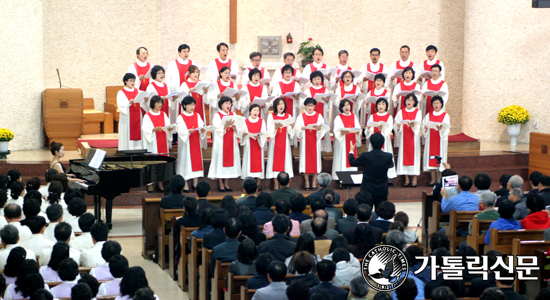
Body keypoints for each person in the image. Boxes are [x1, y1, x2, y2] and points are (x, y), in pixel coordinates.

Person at [349, 132, 394, 208]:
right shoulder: (388, 156)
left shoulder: (366, 156)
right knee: (380, 213)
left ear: (371, 144)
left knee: (365, 213)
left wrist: (351, 151)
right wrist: (382, 153)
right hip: (381, 190)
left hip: (367, 191)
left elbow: (352, 162)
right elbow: (391, 165)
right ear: (383, 143)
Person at [208, 96, 242, 192]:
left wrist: (236, 128)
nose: (228, 105)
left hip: (231, 141)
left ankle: (226, 182)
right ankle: (220, 182)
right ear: (221, 105)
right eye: (226, 103)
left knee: (230, 160)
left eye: (230, 103)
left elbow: (239, 127)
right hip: (221, 142)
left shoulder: (233, 114)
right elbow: (216, 129)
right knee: (220, 160)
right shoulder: (217, 115)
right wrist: (224, 126)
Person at [295, 98, 329, 190]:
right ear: (305, 106)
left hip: (315, 141)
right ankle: (306, 181)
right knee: (305, 161)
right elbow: (296, 128)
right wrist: (301, 128)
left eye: (312, 105)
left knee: (315, 161)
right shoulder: (301, 116)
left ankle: (314, 181)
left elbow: (323, 128)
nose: (310, 107)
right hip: (305, 141)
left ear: (314, 106)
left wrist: (319, 129)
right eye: (308, 105)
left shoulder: (319, 116)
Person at [142, 96, 173, 193]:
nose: (160, 105)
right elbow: (144, 129)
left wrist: (169, 129)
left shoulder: (163, 114)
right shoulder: (148, 115)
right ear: (153, 104)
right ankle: (150, 184)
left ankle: (160, 182)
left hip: (162, 140)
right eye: (158, 102)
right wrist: (152, 130)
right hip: (153, 142)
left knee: (162, 163)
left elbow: (167, 125)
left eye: (161, 103)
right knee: (153, 163)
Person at [176, 97, 206, 191]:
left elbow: (201, 126)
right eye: (190, 105)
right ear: (184, 105)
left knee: (196, 161)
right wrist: (187, 131)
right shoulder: (181, 117)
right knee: (185, 161)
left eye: (193, 104)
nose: (192, 106)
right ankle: (185, 184)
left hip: (195, 141)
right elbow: (180, 130)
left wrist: (202, 130)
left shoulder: (197, 115)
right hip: (186, 143)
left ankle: (195, 183)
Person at [394, 92, 422, 187]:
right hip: (404, 137)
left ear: (414, 102)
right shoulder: (400, 112)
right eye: (407, 100)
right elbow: (396, 124)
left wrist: (413, 125)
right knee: (403, 155)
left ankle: (414, 178)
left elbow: (418, 125)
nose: (409, 101)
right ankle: (406, 178)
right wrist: (398, 126)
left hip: (414, 138)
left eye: (411, 100)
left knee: (414, 156)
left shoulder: (418, 112)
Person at [265, 99, 295, 187]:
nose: (281, 106)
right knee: (274, 161)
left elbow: (290, 132)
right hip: (275, 143)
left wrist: (292, 127)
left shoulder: (288, 116)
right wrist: (275, 127)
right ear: (275, 106)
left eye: (282, 104)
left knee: (286, 162)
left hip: (285, 142)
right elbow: (270, 131)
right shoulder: (271, 116)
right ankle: (276, 184)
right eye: (279, 104)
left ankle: (285, 185)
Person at [422, 96, 451, 184]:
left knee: (441, 159)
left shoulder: (445, 115)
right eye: (434, 103)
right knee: (431, 159)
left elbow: (447, 128)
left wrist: (441, 128)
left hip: (440, 140)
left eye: (438, 103)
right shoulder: (428, 115)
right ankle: (433, 180)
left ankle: (439, 180)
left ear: (441, 104)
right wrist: (426, 128)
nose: (436, 105)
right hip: (431, 140)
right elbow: (423, 126)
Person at [332, 99, 361, 181]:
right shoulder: (338, 117)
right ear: (341, 107)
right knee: (342, 159)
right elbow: (337, 131)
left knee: (351, 158)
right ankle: (341, 179)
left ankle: (351, 179)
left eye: (348, 105)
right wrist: (342, 132)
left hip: (352, 140)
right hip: (342, 142)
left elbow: (357, 128)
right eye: (344, 105)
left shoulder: (354, 116)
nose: (346, 107)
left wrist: (358, 132)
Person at [117, 73, 147, 151]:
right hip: (127, 117)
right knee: (127, 133)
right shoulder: (121, 92)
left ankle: (138, 149)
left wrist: (145, 100)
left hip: (137, 116)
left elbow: (142, 104)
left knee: (138, 131)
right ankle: (126, 149)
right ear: (125, 81)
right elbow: (121, 105)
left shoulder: (138, 91)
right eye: (130, 81)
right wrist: (129, 103)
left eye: (134, 80)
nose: (133, 82)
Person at [303, 71, 332, 152]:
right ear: (311, 80)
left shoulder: (325, 89)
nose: (317, 81)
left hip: (322, 113)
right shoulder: (308, 90)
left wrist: (327, 101)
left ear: (321, 80)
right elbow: (304, 103)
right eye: (315, 79)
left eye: (318, 79)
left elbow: (328, 104)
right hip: (312, 115)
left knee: (322, 129)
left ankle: (322, 150)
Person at [241, 104, 267, 184]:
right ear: (250, 112)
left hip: (258, 144)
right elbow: (241, 132)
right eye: (254, 110)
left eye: (257, 110)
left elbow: (264, 133)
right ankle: (248, 182)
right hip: (249, 145)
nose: (256, 112)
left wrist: (260, 136)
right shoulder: (245, 121)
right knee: (248, 163)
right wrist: (243, 134)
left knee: (259, 164)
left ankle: (258, 184)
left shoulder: (261, 121)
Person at [179, 65, 210, 133]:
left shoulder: (201, 83)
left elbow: (206, 100)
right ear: (189, 73)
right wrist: (189, 92)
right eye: (193, 72)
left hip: (200, 108)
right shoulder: (185, 84)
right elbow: (181, 99)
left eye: (197, 72)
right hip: (189, 110)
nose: (195, 74)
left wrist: (206, 92)